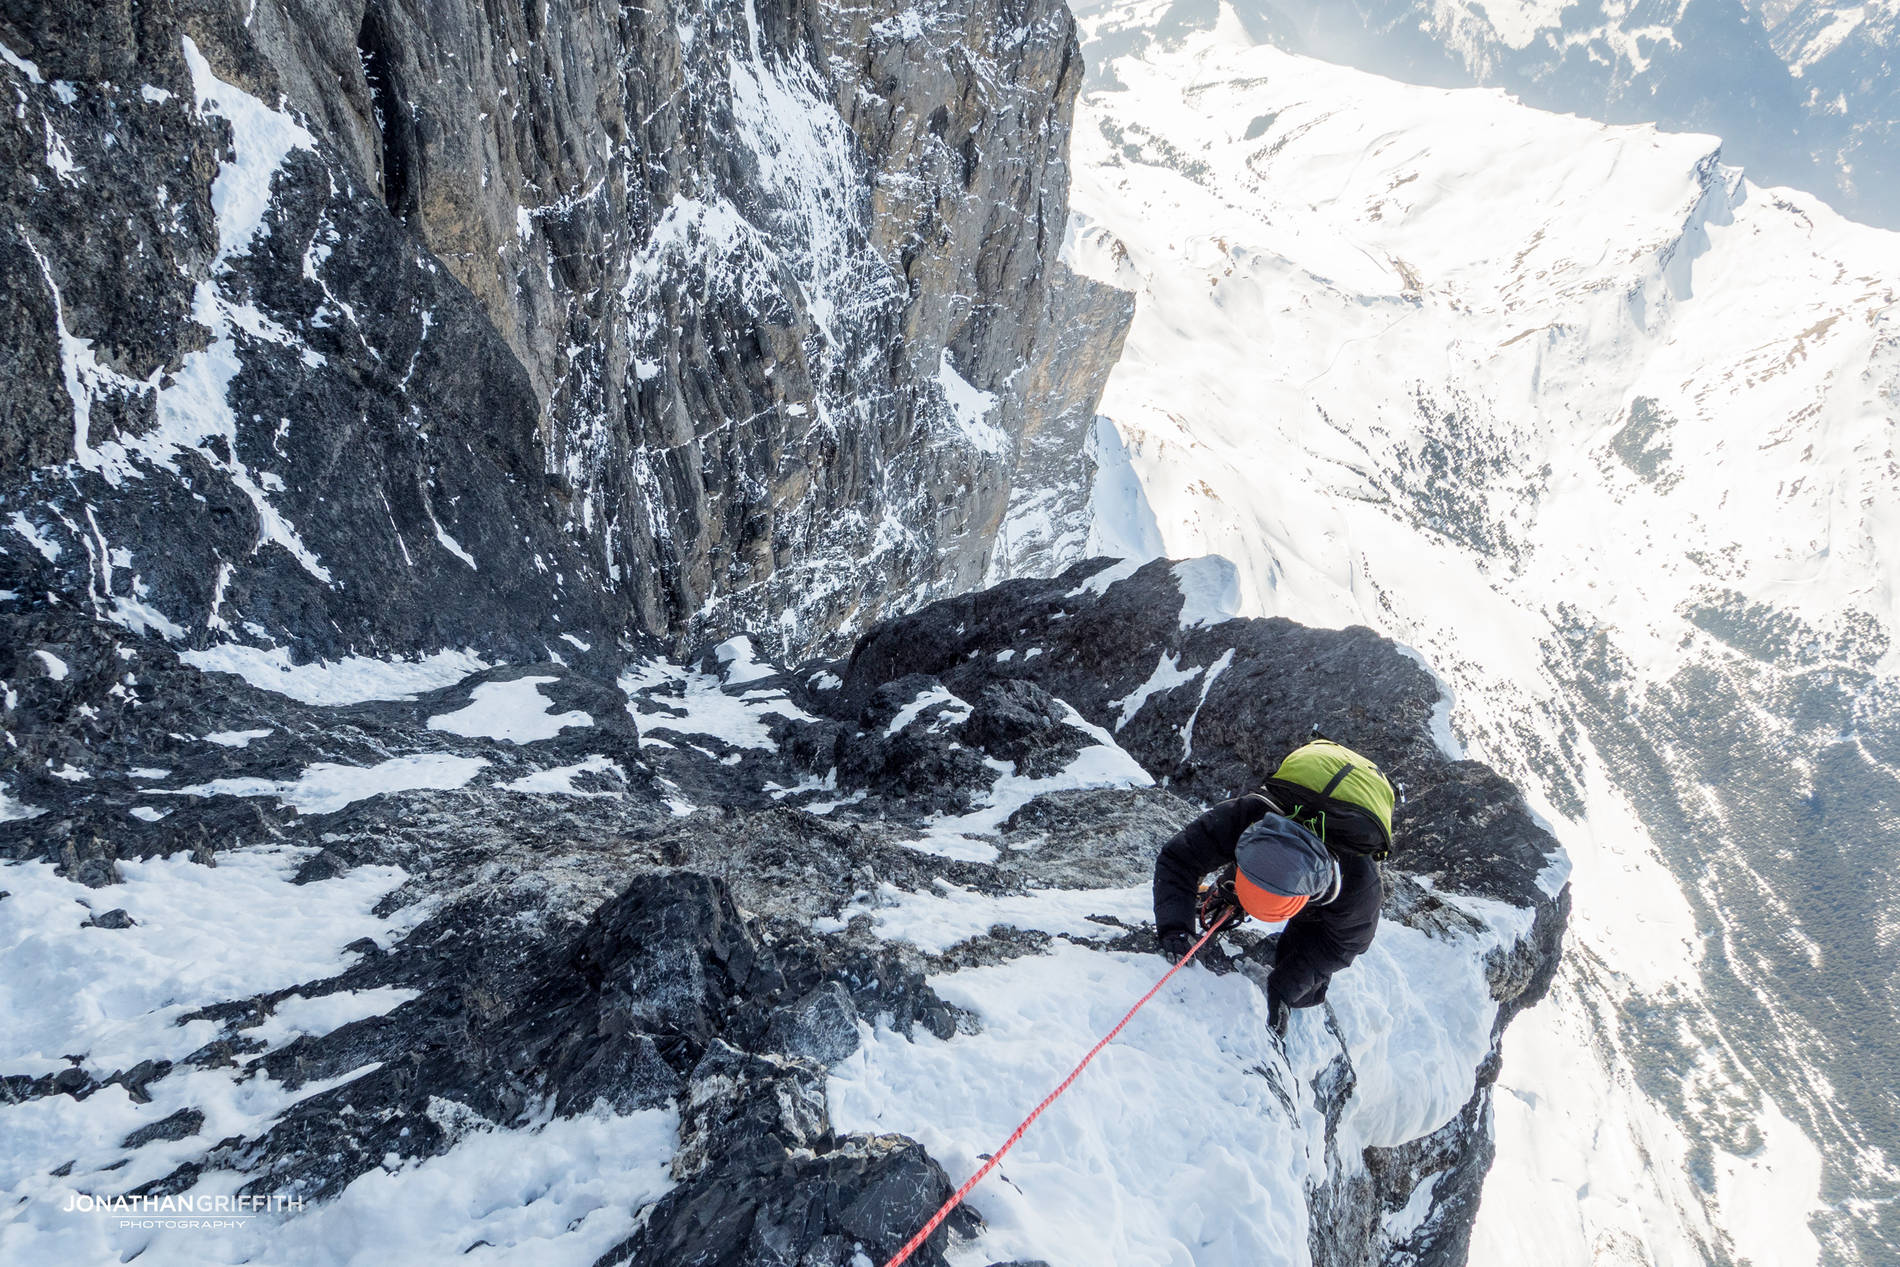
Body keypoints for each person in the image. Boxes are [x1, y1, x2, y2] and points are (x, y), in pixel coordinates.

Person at [1152, 787, 1383, 1038]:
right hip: (1268, 851)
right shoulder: (1246, 816)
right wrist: (1176, 926)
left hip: (1318, 896)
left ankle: (1284, 923)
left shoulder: (1359, 889)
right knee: (1246, 886)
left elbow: (1338, 947)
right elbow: (1180, 858)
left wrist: (1284, 989)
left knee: (1304, 992)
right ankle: (1230, 894)